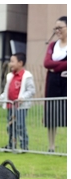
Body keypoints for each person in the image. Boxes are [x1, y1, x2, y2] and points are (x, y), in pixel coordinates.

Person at [0, 53, 35, 151]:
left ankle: (24, 146)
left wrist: (23, 97)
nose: (10, 64)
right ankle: (11, 145)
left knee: (20, 126)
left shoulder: (27, 76)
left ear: (20, 63)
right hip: (10, 106)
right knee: (10, 126)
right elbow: (6, 91)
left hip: (21, 106)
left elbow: (31, 90)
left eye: (12, 61)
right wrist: (0, 98)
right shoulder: (10, 76)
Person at [43, 16, 67, 153]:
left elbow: (52, 65)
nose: (57, 31)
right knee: (52, 114)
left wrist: (56, 68)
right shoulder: (53, 45)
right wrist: (64, 67)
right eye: (55, 28)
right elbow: (47, 63)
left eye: (60, 28)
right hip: (53, 83)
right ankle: (51, 146)